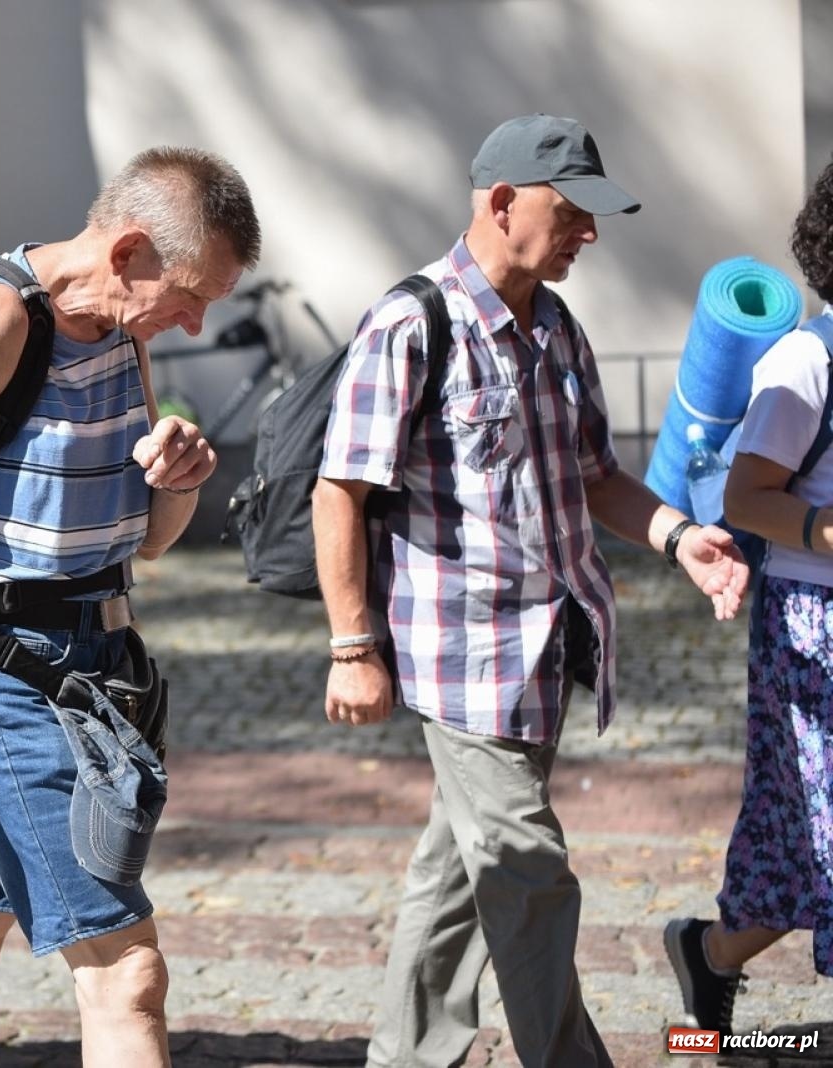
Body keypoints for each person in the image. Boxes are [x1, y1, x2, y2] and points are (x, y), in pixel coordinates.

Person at [313, 114, 750, 1067]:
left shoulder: (555, 326)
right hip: (461, 658)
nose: (590, 233)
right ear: (501, 203)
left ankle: (406, 1054)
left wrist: (679, 538)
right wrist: (352, 647)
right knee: (530, 873)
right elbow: (338, 492)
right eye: (572, 213)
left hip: (549, 652)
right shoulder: (409, 322)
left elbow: (597, 477)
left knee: (459, 877)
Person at [0, 146, 259, 1066]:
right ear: (127, 253)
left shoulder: (123, 331)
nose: (193, 323)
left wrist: (181, 479)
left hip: (98, 673)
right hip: (6, 680)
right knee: (126, 976)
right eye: (192, 295)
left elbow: (147, 539)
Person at [663, 157, 833, 1034]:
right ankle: (710, 961)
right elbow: (746, 498)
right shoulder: (809, 360)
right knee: (813, 828)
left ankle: (708, 954)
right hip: (815, 627)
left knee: (801, 840)